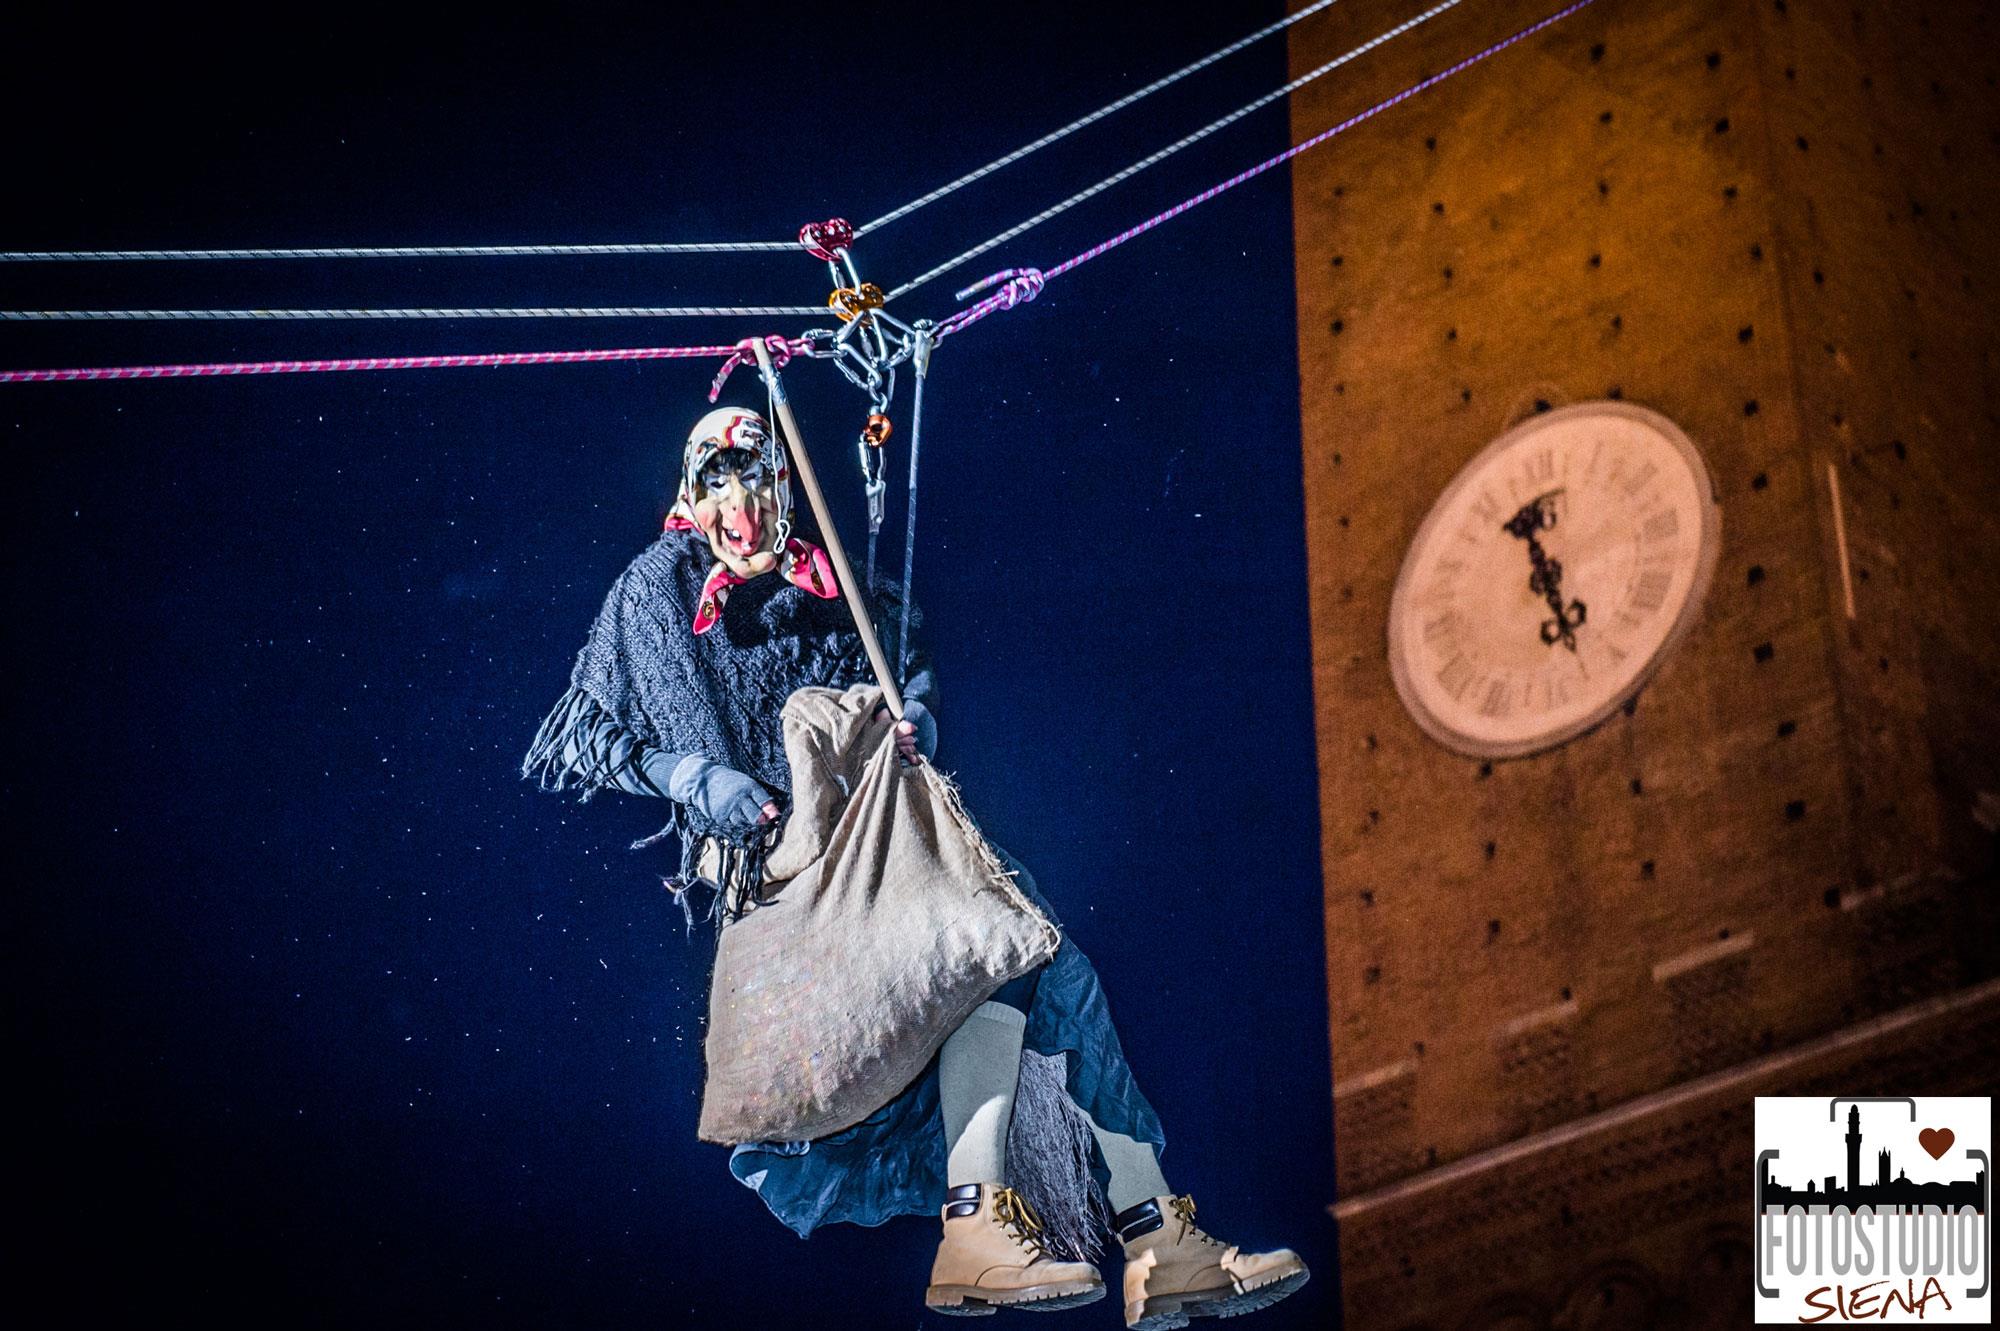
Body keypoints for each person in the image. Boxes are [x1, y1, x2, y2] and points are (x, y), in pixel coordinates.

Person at [523, 405, 1308, 1328]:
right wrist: (689, 775)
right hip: (787, 880)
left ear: (783, 484)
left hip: (885, 841)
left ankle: (1154, 1238)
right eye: (717, 483)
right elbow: (576, 733)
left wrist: (915, 716)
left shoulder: (838, 585)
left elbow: (907, 661)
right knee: (992, 947)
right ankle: (981, 1228)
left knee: (1059, 975)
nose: (740, 504)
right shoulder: (658, 589)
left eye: (756, 477)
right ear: (691, 498)